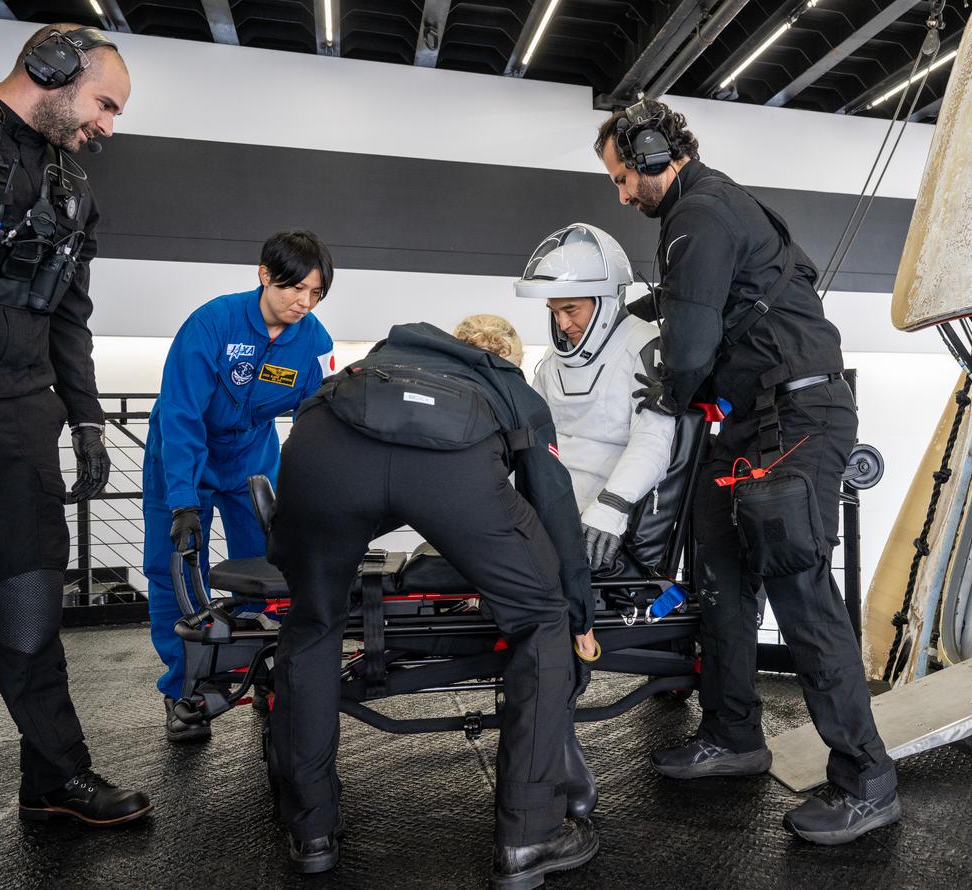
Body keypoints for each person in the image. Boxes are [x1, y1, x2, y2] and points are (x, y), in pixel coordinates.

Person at [594, 99, 899, 844]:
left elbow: (691, 349)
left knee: (800, 593)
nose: (622, 192)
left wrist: (662, 398)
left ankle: (867, 780)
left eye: (622, 175)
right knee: (720, 575)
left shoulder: (702, 215)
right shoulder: (697, 218)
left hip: (796, 421)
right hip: (747, 420)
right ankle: (733, 736)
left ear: (652, 153)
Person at [266, 317, 600, 884]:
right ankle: (530, 838)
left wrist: (292, 554)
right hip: (457, 470)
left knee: (312, 626)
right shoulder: (509, 386)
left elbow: (338, 449)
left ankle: (310, 831)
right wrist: (576, 608)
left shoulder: (372, 361)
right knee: (541, 621)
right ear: (506, 358)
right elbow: (553, 501)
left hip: (323, 450)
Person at [0, 23, 151, 827]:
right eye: (104, 103)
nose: (107, 124)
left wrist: (86, 422)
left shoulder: (74, 189)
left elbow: (71, 320)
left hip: (15, 421)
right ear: (51, 68)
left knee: (28, 602)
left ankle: (54, 777)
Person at [142, 231, 335, 742]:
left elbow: (317, 420)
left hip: (250, 458)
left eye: (315, 294)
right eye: (295, 288)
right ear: (264, 274)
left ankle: (261, 670)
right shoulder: (212, 324)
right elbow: (182, 414)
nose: (303, 302)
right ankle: (184, 689)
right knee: (177, 572)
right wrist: (182, 500)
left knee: (269, 569)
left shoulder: (312, 341)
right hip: (184, 454)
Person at [514, 222, 676, 571]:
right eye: (554, 312)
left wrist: (612, 506)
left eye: (571, 310)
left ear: (604, 302)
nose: (562, 324)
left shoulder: (643, 346)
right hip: (549, 508)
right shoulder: (552, 361)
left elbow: (653, 440)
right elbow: (532, 434)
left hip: (606, 516)